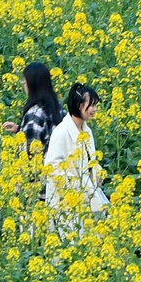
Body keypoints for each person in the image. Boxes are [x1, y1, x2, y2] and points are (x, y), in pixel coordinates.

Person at [43, 83, 107, 222]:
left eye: (95, 105)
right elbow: (52, 166)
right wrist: (75, 186)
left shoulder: (87, 131)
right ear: (79, 105)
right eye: (92, 105)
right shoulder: (61, 132)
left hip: (87, 195)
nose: (95, 109)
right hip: (66, 202)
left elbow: (92, 160)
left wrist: (98, 173)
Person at [1, 62, 65, 157]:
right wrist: (20, 130)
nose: (23, 84)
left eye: (25, 81)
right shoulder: (59, 108)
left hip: (44, 169)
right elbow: (46, 135)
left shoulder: (34, 114)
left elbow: (30, 154)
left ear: (32, 85)